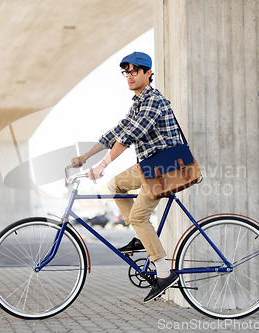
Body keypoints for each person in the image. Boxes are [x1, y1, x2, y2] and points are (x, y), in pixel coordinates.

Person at [71, 52, 182, 303]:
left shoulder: (153, 101)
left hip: (166, 167)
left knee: (139, 216)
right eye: (127, 72)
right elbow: (117, 130)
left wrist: (102, 164)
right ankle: (142, 238)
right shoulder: (138, 102)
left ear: (148, 73)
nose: (130, 76)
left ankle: (164, 274)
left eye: (135, 71)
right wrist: (85, 157)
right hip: (151, 166)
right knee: (115, 184)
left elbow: (130, 135)